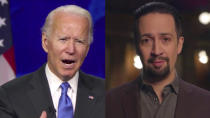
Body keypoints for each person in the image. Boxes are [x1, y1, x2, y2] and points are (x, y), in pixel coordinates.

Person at [106, 2, 210, 118]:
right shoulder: (109, 102)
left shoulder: (206, 103)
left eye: (165, 39)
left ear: (179, 45)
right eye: (147, 40)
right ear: (136, 46)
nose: (156, 51)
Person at [0, 5, 104, 118]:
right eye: (63, 39)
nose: (71, 49)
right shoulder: (10, 95)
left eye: (79, 41)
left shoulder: (105, 93)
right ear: (45, 42)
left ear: (87, 49)